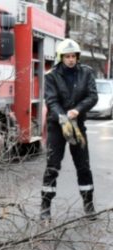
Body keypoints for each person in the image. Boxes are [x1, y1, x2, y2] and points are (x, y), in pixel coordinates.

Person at [41, 39, 98, 221]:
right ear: (61, 57)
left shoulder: (86, 73)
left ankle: (88, 206)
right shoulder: (51, 75)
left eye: (74, 56)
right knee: (52, 167)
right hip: (57, 127)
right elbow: (51, 100)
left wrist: (77, 110)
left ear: (78, 57)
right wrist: (62, 116)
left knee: (84, 167)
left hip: (78, 127)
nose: (71, 60)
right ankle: (45, 208)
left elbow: (92, 96)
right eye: (67, 56)